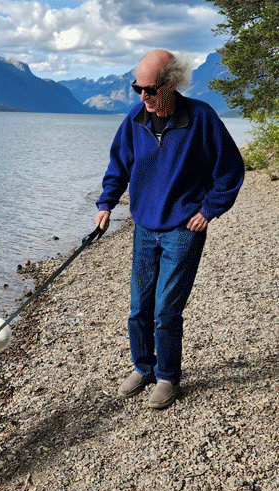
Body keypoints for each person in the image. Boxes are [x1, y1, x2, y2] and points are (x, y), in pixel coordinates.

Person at [95, 49, 244, 409]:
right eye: (137, 89)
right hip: (144, 227)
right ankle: (143, 366)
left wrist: (209, 210)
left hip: (183, 230)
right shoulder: (134, 121)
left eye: (150, 89)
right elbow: (119, 166)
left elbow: (230, 170)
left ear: (172, 83)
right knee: (138, 308)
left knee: (166, 310)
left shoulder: (201, 119)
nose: (143, 96)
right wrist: (105, 204)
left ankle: (167, 377)